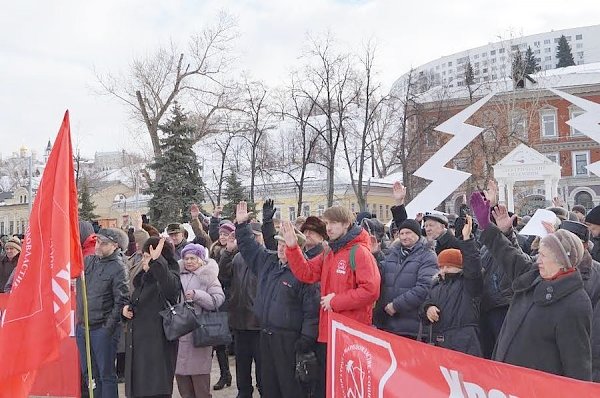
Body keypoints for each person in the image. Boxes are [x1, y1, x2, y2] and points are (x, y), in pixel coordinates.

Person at [472, 193, 592, 381]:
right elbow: (506, 253)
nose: (538, 259)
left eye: (544, 255)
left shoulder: (575, 302)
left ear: (561, 260)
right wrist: (488, 227)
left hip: (538, 388)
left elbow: (577, 363)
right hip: (507, 379)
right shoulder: (532, 274)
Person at [282, 205, 380, 398]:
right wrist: (293, 248)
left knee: (348, 388)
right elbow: (306, 273)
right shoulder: (329, 252)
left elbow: (371, 291)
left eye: (333, 223)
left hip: (351, 335)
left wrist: (336, 301)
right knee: (329, 388)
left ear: (346, 224)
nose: (328, 227)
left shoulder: (359, 252)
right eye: (326, 223)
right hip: (328, 334)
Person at [236, 202, 320, 398]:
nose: (281, 248)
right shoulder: (268, 261)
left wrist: (305, 341)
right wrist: (241, 226)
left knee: (290, 387)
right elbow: (249, 248)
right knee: (268, 385)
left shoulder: (304, 273)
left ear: (297, 248)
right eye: (280, 244)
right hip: (265, 335)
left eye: (286, 245)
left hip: (290, 340)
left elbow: (312, 311)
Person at [122, 237, 182, 397]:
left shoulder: (169, 274)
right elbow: (136, 301)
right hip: (139, 349)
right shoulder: (144, 278)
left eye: (146, 256)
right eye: (143, 256)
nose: (143, 260)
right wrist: (127, 309)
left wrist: (157, 262)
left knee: (155, 390)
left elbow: (171, 290)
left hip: (157, 350)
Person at [75, 228, 129, 398]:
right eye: (97, 241)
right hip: (84, 327)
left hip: (102, 329)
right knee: (89, 374)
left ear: (115, 246)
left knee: (106, 375)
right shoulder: (89, 261)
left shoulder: (118, 267)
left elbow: (121, 299)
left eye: (103, 243)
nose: (98, 245)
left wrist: (108, 328)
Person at [420, 216, 483, 356]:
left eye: (449, 266)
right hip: (440, 342)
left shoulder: (468, 284)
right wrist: (427, 309)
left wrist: (467, 240)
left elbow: (473, 266)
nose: (444, 270)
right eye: (441, 266)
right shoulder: (436, 285)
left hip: (465, 343)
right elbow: (425, 305)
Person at [219, 224, 263, 398]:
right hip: (240, 320)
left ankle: (264, 390)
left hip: (259, 322)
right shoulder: (237, 257)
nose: (252, 239)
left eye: (256, 236)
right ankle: (243, 392)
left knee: (262, 366)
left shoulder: (266, 257)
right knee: (242, 364)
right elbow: (223, 275)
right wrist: (228, 252)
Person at [374, 219, 438, 338]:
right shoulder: (393, 254)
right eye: (401, 233)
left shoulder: (428, 256)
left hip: (412, 325)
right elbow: (379, 274)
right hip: (389, 324)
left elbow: (424, 288)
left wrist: (396, 305)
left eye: (408, 233)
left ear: (417, 234)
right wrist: (375, 255)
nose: (404, 237)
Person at [176, 244, 225, 398]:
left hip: (199, 333)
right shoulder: (177, 275)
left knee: (200, 385)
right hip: (179, 330)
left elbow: (217, 299)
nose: (189, 261)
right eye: (186, 258)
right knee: (183, 382)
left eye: (192, 258)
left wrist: (198, 295)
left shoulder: (208, 275)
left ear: (200, 259)